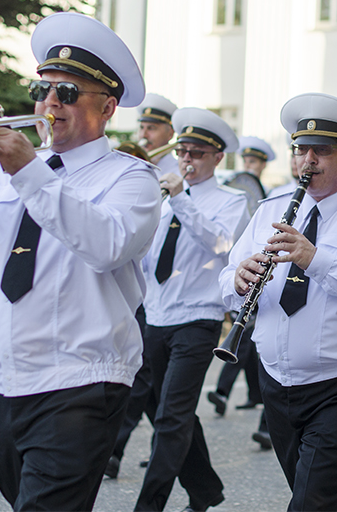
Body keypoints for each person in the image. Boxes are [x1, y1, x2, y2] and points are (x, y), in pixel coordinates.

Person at [0, 12, 160, 511]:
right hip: (2, 379)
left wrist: (29, 170)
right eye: (41, 89)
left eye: (67, 93)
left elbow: (107, 245)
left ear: (108, 106)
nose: (49, 103)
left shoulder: (130, 178)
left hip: (81, 381)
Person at [220, 92, 337, 510]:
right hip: (276, 380)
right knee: (316, 499)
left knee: (310, 501)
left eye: (321, 151)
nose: (308, 161)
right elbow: (224, 279)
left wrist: (316, 259)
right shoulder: (269, 210)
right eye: (301, 150)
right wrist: (236, 279)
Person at [134, 108, 248, 512]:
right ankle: (204, 490)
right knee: (168, 411)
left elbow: (221, 245)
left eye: (198, 153)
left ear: (217, 158)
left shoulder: (230, 200)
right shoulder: (164, 198)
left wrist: (181, 199)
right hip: (156, 314)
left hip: (197, 320)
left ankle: (149, 505)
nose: (187, 159)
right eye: (183, 150)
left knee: (171, 416)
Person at [105, 92, 181, 480]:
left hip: (173, 301)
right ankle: (196, 479)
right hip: (141, 294)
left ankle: (116, 450)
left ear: (170, 130)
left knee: (161, 398)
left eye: (153, 127)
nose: (146, 134)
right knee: (155, 396)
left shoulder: (180, 171)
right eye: (143, 126)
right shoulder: (134, 168)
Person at [207, 136, 276, 419]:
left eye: (254, 162)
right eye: (247, 160)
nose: (249, 166)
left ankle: (225, 391)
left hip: (268, 273)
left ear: (263, 165)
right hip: (243, 267)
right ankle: (254, 394)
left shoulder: (273, 196)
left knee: (247, 336)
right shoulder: (234, 192)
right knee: (248, 338)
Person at [137, 93, 179, 175]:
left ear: (170, 133)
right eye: (142, 127)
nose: (143, 135)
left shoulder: (177, 171)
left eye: (151, 128)